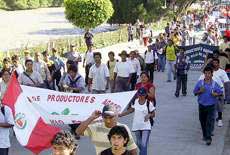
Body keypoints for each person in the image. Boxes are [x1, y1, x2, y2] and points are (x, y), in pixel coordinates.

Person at [119, 88, 155, 155]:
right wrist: (121, 114)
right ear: (137, 95)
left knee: (144, 144)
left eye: (142, 95)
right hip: (137, 125)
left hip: (146, 126)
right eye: (139, 95)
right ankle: (144, 152)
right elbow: (131, 110)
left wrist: (149, 115)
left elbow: (153, 113)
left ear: (145, 95)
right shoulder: (135, 101)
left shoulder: (148, 103)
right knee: (138, 143)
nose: (141, 96)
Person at [193, 66, 223, 145]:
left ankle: (208, 138)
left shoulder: (214, 84)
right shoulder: (200, 83)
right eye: (205, 73)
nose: (207, 75)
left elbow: (220, 93)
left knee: (209, 121)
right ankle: (205, 135)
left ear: (212, 74)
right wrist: (200, 91)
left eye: (209, 73)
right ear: (204, 74)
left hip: (211, 106)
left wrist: (215, 94)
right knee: (202, 121)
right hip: (202, 105)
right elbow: (195, 92)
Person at [211, 58, 229, 127]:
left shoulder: (222, 72)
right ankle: (212, 118)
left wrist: (227, 95)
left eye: (216, 63)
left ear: (218, 64)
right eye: (213, 63)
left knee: (219, 106)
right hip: (211, 91)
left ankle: (220, 119)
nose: (215, 64)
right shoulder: (210, 71)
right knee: (211, 106)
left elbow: (226, 82)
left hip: (220, 91)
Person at [0, 69, 14, 155]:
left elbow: (10, 123)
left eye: (7, 74)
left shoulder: (14, 85)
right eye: (4, 74)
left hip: (2, 144)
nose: (6, 76)